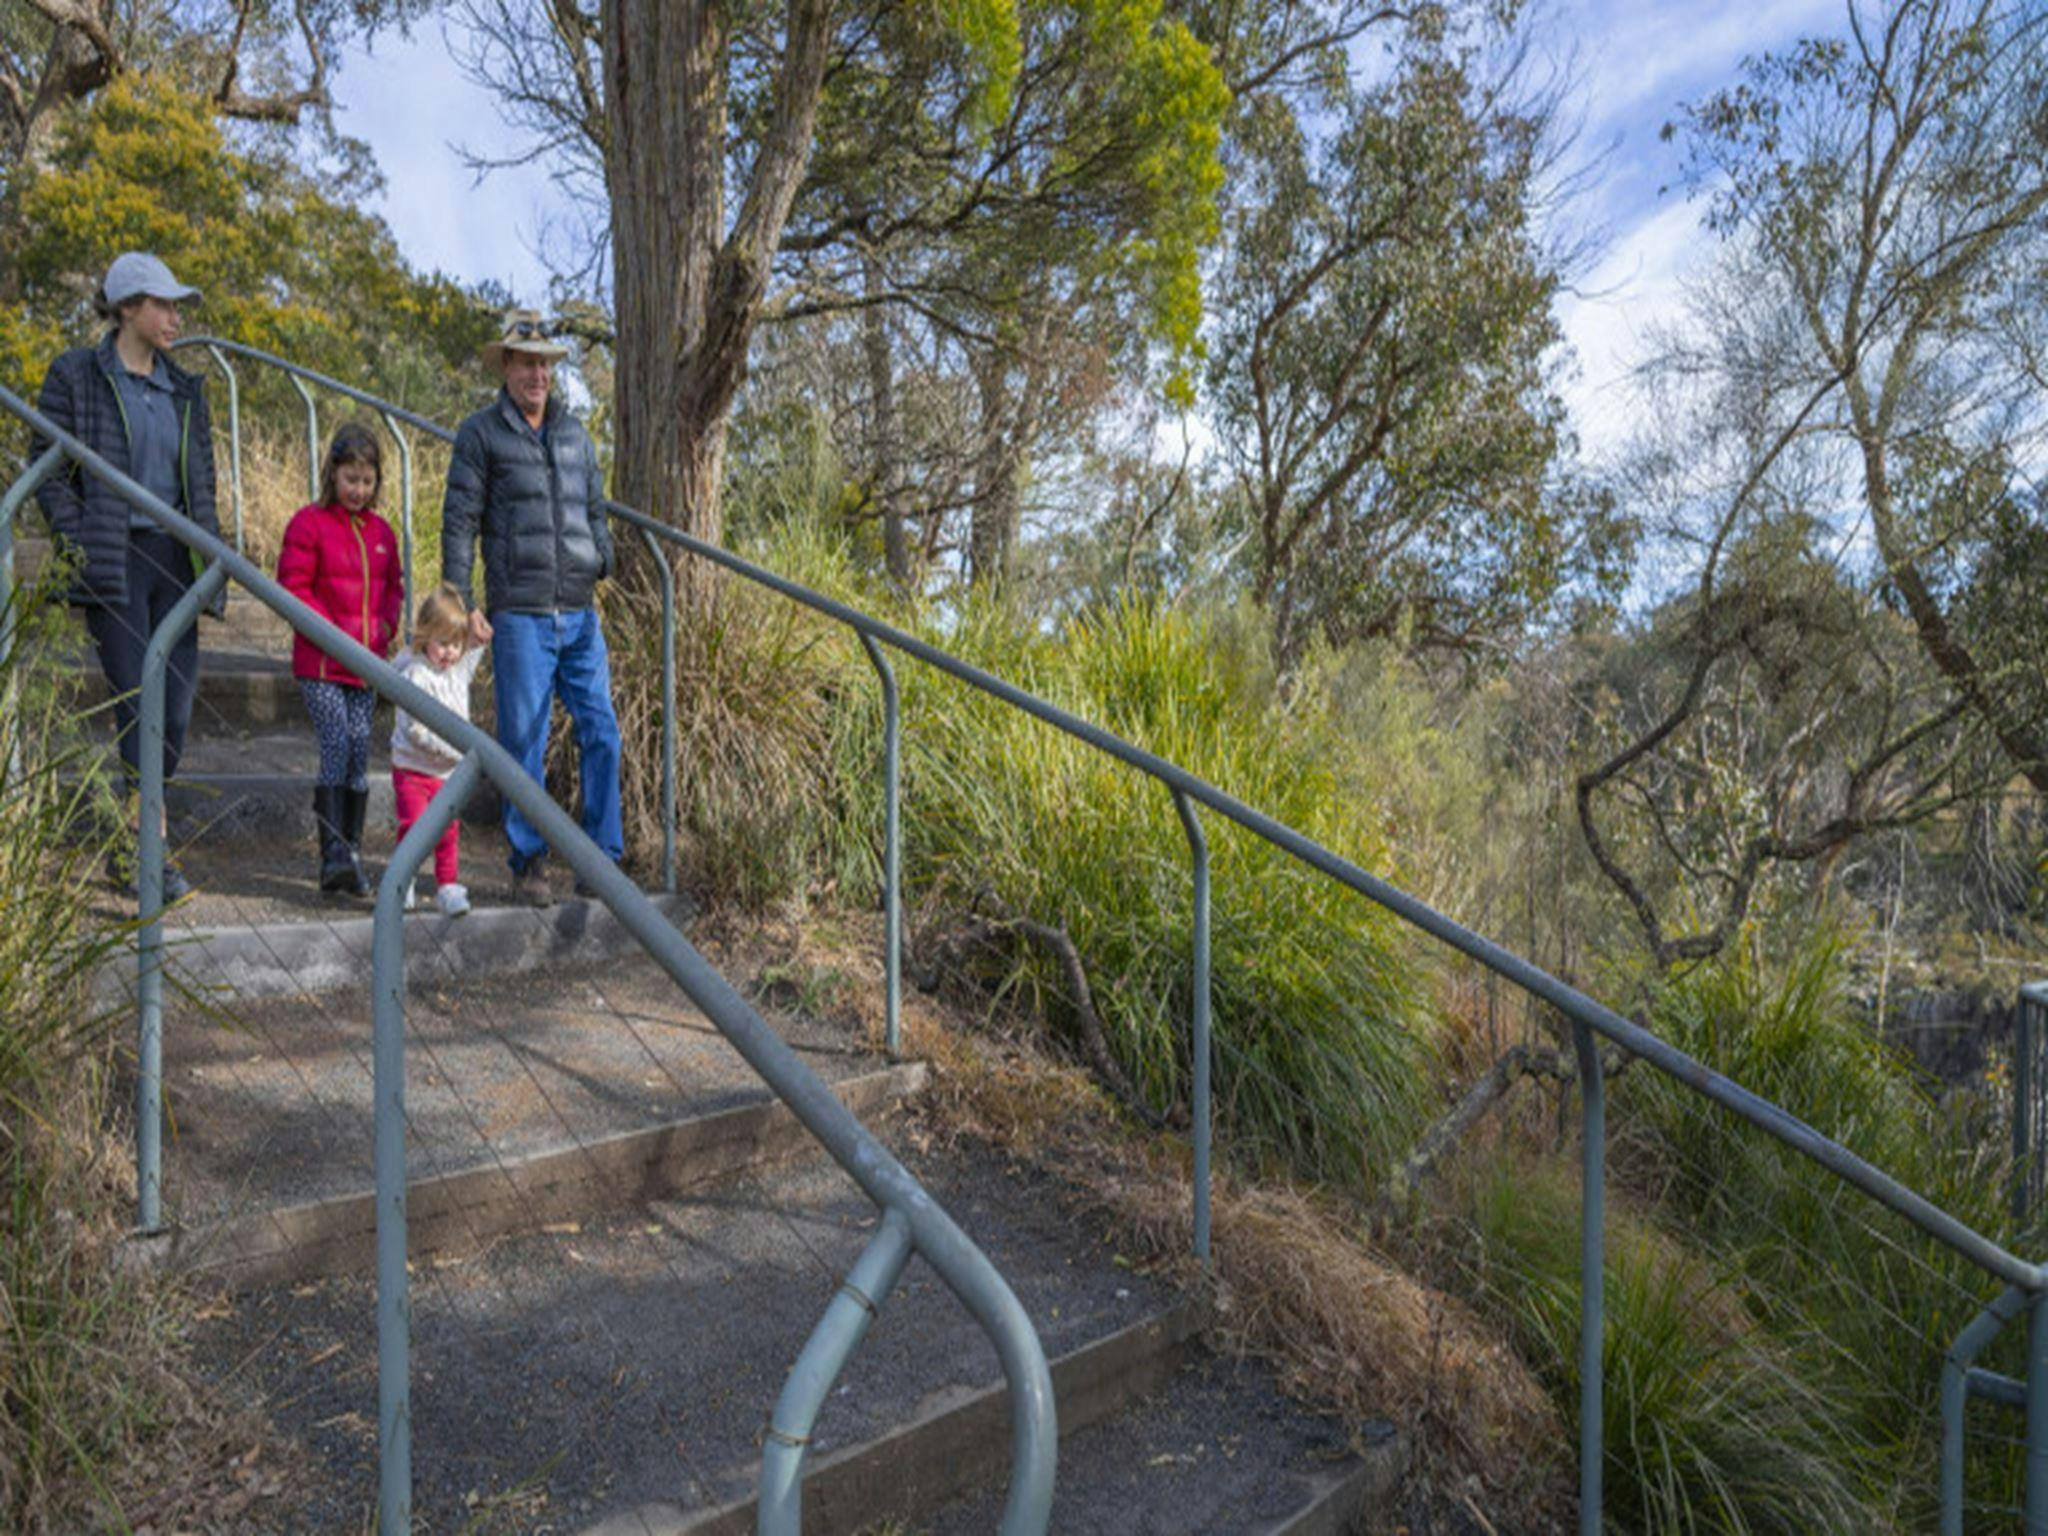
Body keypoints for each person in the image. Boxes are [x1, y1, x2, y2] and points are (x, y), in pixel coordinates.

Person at [32, 251, 224, 901]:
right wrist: (79, 535)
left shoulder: (185, 388)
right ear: (128, 309)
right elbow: (47, 469)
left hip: (177, 560)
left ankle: (136, 836)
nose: (176, 317)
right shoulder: (76, 376)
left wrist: (212, 548)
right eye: (164, 305)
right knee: (136, 709)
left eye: (176, 306)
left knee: (171, 717)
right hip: (114, 556)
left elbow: (202, 479)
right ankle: (145, 853)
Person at [440, 309, 620, 907]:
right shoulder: (481, 433)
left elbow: (595, 506)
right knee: (523, 740)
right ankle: (528, 862)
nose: (537, 372)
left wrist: (604, 555)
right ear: (508, 367)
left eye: (545, 362)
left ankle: (600, 861)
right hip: (518, 613)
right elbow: (460, 518)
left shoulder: (575, 434)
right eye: (526, 362)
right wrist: (459, 599)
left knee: (602, 732)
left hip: (579, 610)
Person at [276, 422, 405, 896]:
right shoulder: (309, 524)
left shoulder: (382, 533)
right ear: (333, 475)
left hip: (365, 665)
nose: (358, 489)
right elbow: (293, 586)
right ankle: (331, 853)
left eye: (367, 481)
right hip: (322, 664)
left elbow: (394, 587)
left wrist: (387, 627)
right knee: (335, 741)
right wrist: (328, 632)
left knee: (359, 748)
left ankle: (350, 852)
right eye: (350, 479)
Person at [389, 585, 492, 917]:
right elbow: (417, 732)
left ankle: (447, 886)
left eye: (456, 645)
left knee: (448, 833)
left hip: (447, 774)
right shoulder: (415, 674)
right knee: (415, 826)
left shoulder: (457, 670)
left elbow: (474, 648)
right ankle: (403, 883)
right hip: (413, 770)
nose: (450, 653)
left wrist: (477, 634)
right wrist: (458, 748)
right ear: (425, 637)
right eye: (443, 643)